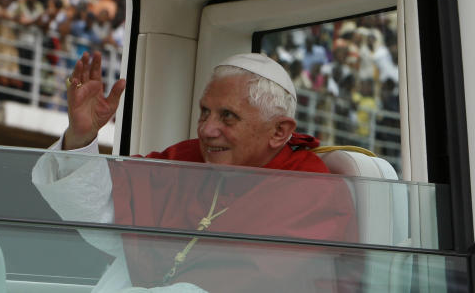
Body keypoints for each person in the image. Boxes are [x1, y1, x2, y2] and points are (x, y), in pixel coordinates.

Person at [33, 52, 358, 291]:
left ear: (278, 131)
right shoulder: (190, 159)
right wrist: (81, 137)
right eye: (205, 112)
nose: (207, 129)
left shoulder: (311, 192)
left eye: (227, 116)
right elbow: (104, 212)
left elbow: (245, 282)